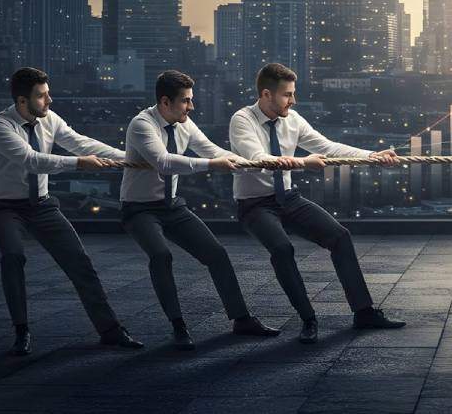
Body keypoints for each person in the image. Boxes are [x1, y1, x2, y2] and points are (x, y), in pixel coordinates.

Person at [229, 63, 405, 344]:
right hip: (255, 205)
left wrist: (372, 155)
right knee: (282, 249)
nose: (293, 101)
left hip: (287, 197)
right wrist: (303, 163)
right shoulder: (242, 120)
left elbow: (327, 147)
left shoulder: (293, 119)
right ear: (266, 94)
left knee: (340, 236)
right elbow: (259, 158)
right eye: (287, 95)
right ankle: (308, 319)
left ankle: (364, 312)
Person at [0, 67, 143, 355]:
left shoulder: (49, 119)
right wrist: (79, 164)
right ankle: (21, 332)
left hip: (42, 205)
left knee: (80, 262)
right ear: (23, 101)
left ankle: (110, 330)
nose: (49, 100)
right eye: (42, 96)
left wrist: (131, 158)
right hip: (5, 207)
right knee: (13, 257)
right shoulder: (0, 126)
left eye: (48, 93)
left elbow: (81, 143)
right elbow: (31, 160)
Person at [120, 70, 281, 350]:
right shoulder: (141, 125)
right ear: (165, 102)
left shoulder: (184, 123)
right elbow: (164, 162)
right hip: (140, 209)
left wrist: (253, 161)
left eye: (191, 100)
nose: (191, 107)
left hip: (172, 206)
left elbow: (211, 150)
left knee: (217, 254)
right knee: (161, 255)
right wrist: (211, 166)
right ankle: (178, 326)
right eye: (185, 101)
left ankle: (241, 319)